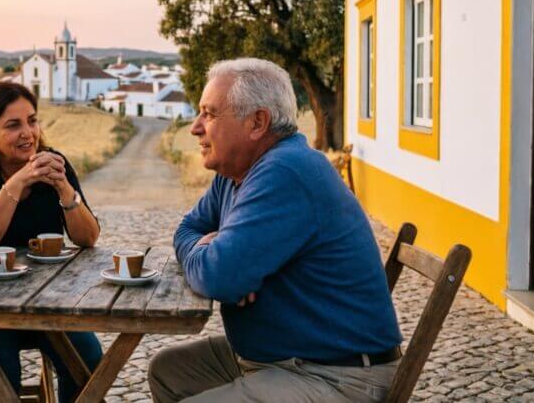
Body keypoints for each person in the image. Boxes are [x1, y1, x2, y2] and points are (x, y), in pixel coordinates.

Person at [148, 58, 403, 403]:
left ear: (257, 122)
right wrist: (211, 250)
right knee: (168, 371)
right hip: (277, 358)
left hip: (336, 374)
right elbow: (188, 228)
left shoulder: (285, 172)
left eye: (209, 114)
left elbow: (219, 277)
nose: (196, 127)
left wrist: (222, 259)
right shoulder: (236, 173)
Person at [0, 81, 103, 402]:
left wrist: (64, 188)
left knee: (87, 357)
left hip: (47, 303)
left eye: (32, 120)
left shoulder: (53, 162)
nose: (28, 133)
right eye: (13, 125)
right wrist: (17, 184)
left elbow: (88, 238)